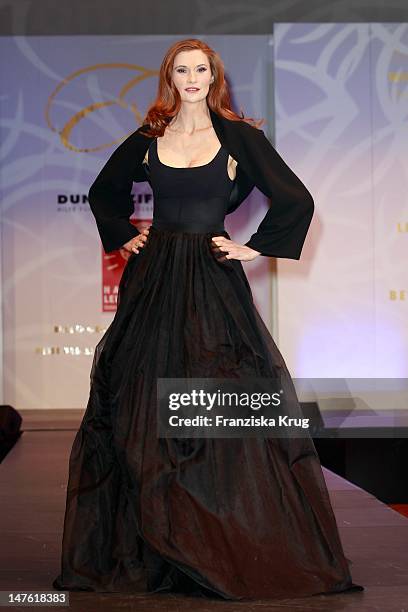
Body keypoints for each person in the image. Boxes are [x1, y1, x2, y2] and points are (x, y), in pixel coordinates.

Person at [53, 38, 364, 601]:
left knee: (216, 406)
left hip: (212, 278)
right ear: (169, 77)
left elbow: (295, 198)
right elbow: (104, 192)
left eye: (200, 69)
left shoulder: (240, 137)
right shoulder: (151, 136)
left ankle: (216, 539)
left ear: (213, 76)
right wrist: (126, 235)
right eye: (181, 69)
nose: (191, 77)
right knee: (141, 404)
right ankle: (156, 546)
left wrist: (254, 248)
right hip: (153, 281)